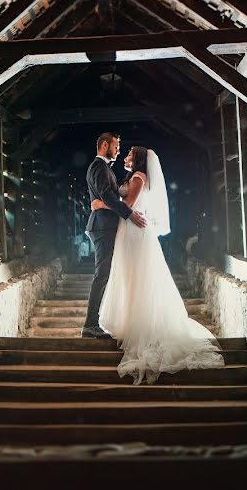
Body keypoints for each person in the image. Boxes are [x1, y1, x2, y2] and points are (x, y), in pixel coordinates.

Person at [91, 145, 224, 385]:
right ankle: (130, 321)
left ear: (139, 159)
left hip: (134, 231)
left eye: (130, 153)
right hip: (130, 230)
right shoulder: (135, 177)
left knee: (139, 277)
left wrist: (101, 204)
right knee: (130, 275)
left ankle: (141, 325)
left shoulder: (140, 177)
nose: (126, 156)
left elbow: (129, 205)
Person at [82, 132, 148, 339]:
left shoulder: (105, 169)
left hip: (106, 226)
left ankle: (94, 323)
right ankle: (90, 325)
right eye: (116, 145)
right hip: (102, 227)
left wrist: (102, 203)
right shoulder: (98, 167)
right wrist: (129, 215)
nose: (119, 150)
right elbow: (108, 196)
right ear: (104, 146)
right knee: (102, 273)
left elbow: (107, 198)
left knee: (105, 273)